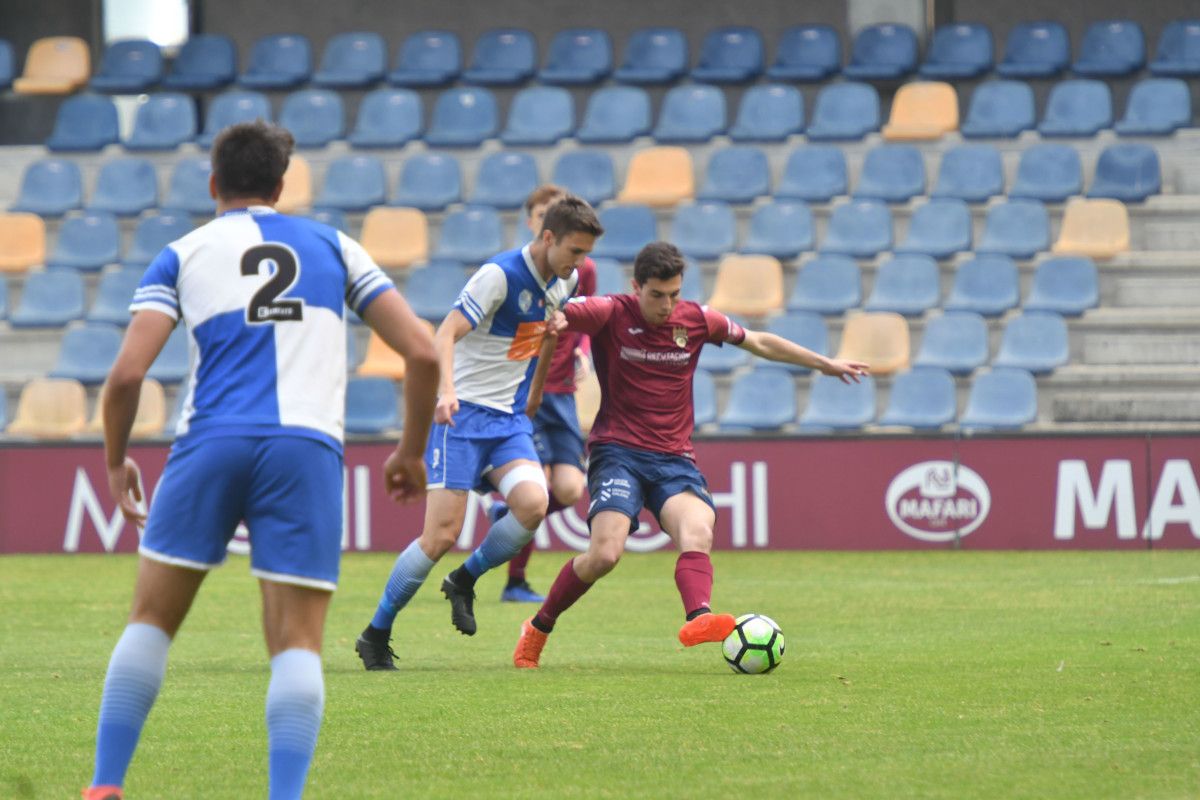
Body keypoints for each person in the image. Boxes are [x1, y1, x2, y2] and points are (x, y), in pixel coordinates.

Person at [82, 121, 438, 800]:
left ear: (214, 184)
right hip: (304, 449)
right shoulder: (335, 245)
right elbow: (422, 351)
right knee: (297, 643)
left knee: (150, 622)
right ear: (281, 187)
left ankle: (105, 785)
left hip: (209, 443)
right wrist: (409, 452)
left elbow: (126, 377)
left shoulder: (182, 252)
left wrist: (116, 460)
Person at [512, 242, 870, 669]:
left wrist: (824, 363)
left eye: (674, 295)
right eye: (657, 295)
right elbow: (562, 314)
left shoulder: (696, 320)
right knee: (605, 554)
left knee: (697, 532)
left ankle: (698, 618)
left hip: (673, 459)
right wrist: (554, 321)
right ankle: (537, 628)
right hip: (618, 452)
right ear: (637, 287)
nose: (667, 306)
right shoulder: (611, 311)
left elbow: (757, 341)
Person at [355, 194, 604, 671]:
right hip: (463, 417)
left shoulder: (565, 280)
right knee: (440, 535)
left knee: (534, 504)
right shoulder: (499, 276)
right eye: (575, 250)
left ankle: (465, 580)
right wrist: (445, 393)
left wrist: (532, 397)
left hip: (508, 421)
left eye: (585, 252)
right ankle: (376, 631)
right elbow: (444, 333)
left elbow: (544, 337)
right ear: (548, 237)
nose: (581, 262)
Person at [494, 185, 597, 603]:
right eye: (539, 213)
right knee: (536, 483)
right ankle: (514, 582)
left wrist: (585, 352)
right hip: (526, 389)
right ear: (533, 221)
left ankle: (507, 516)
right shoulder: (516, 270)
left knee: (570, 489)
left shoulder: (580, 269)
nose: (544, 219)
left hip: (563, 392)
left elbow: (589, 314)